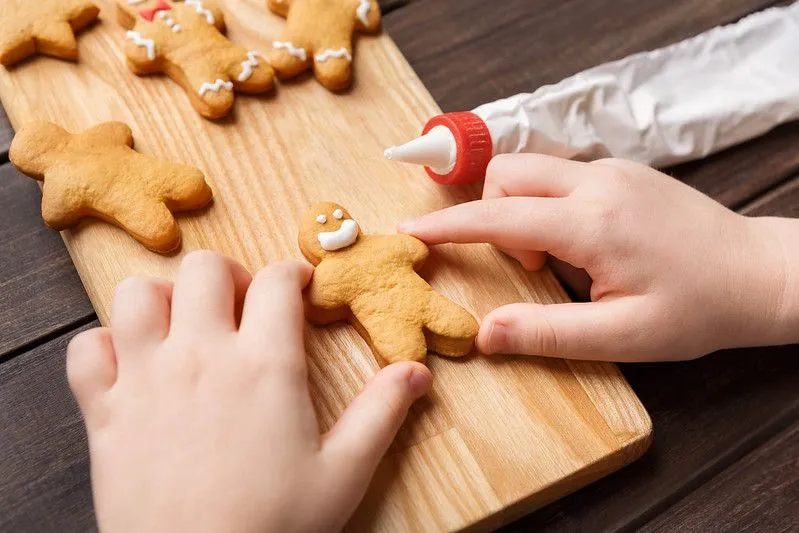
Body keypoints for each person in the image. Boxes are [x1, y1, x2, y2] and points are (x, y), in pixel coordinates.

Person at [67, 154, 798, 532]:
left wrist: (765, 271)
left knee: (445, 321)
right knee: (408, 338)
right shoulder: (339, 281)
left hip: (422, 299)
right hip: (391, 316)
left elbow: (404, 257)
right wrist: (759, 264)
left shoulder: (380, 253)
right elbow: (324, 294)